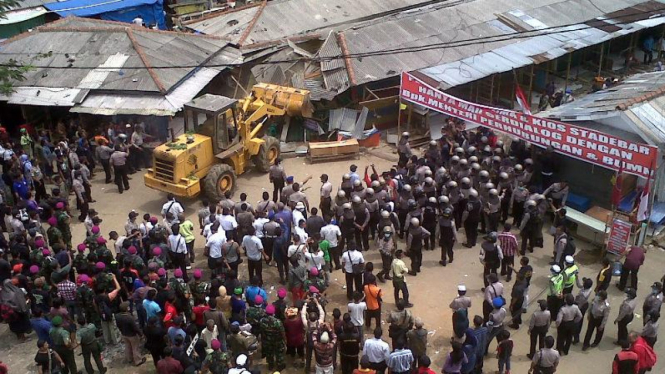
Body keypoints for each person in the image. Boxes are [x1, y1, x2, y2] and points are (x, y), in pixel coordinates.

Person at [115, 301, 146, 366]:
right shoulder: (129, 318)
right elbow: (135, 328)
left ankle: (129, 359)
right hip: (132, 335)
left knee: (128, 346)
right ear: (127, 308)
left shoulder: (117, 316)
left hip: (124, 334)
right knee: (135, 348)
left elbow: (118, 325)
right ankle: (138, 361)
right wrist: (141, 334)